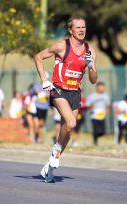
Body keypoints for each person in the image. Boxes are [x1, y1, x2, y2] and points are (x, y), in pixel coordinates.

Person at [34, 16, 98, 183]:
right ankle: (56, 152)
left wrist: (91, 66)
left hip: (75, 92)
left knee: (67, 131)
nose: (81, 30)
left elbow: (93, 79)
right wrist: (44, 80)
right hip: (58, 89)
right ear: (70, 30)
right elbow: (38, 57)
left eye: (83, 27)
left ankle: (49, 165)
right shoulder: (62, 46)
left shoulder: (90, 51)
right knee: (71, 123)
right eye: (78, 27)